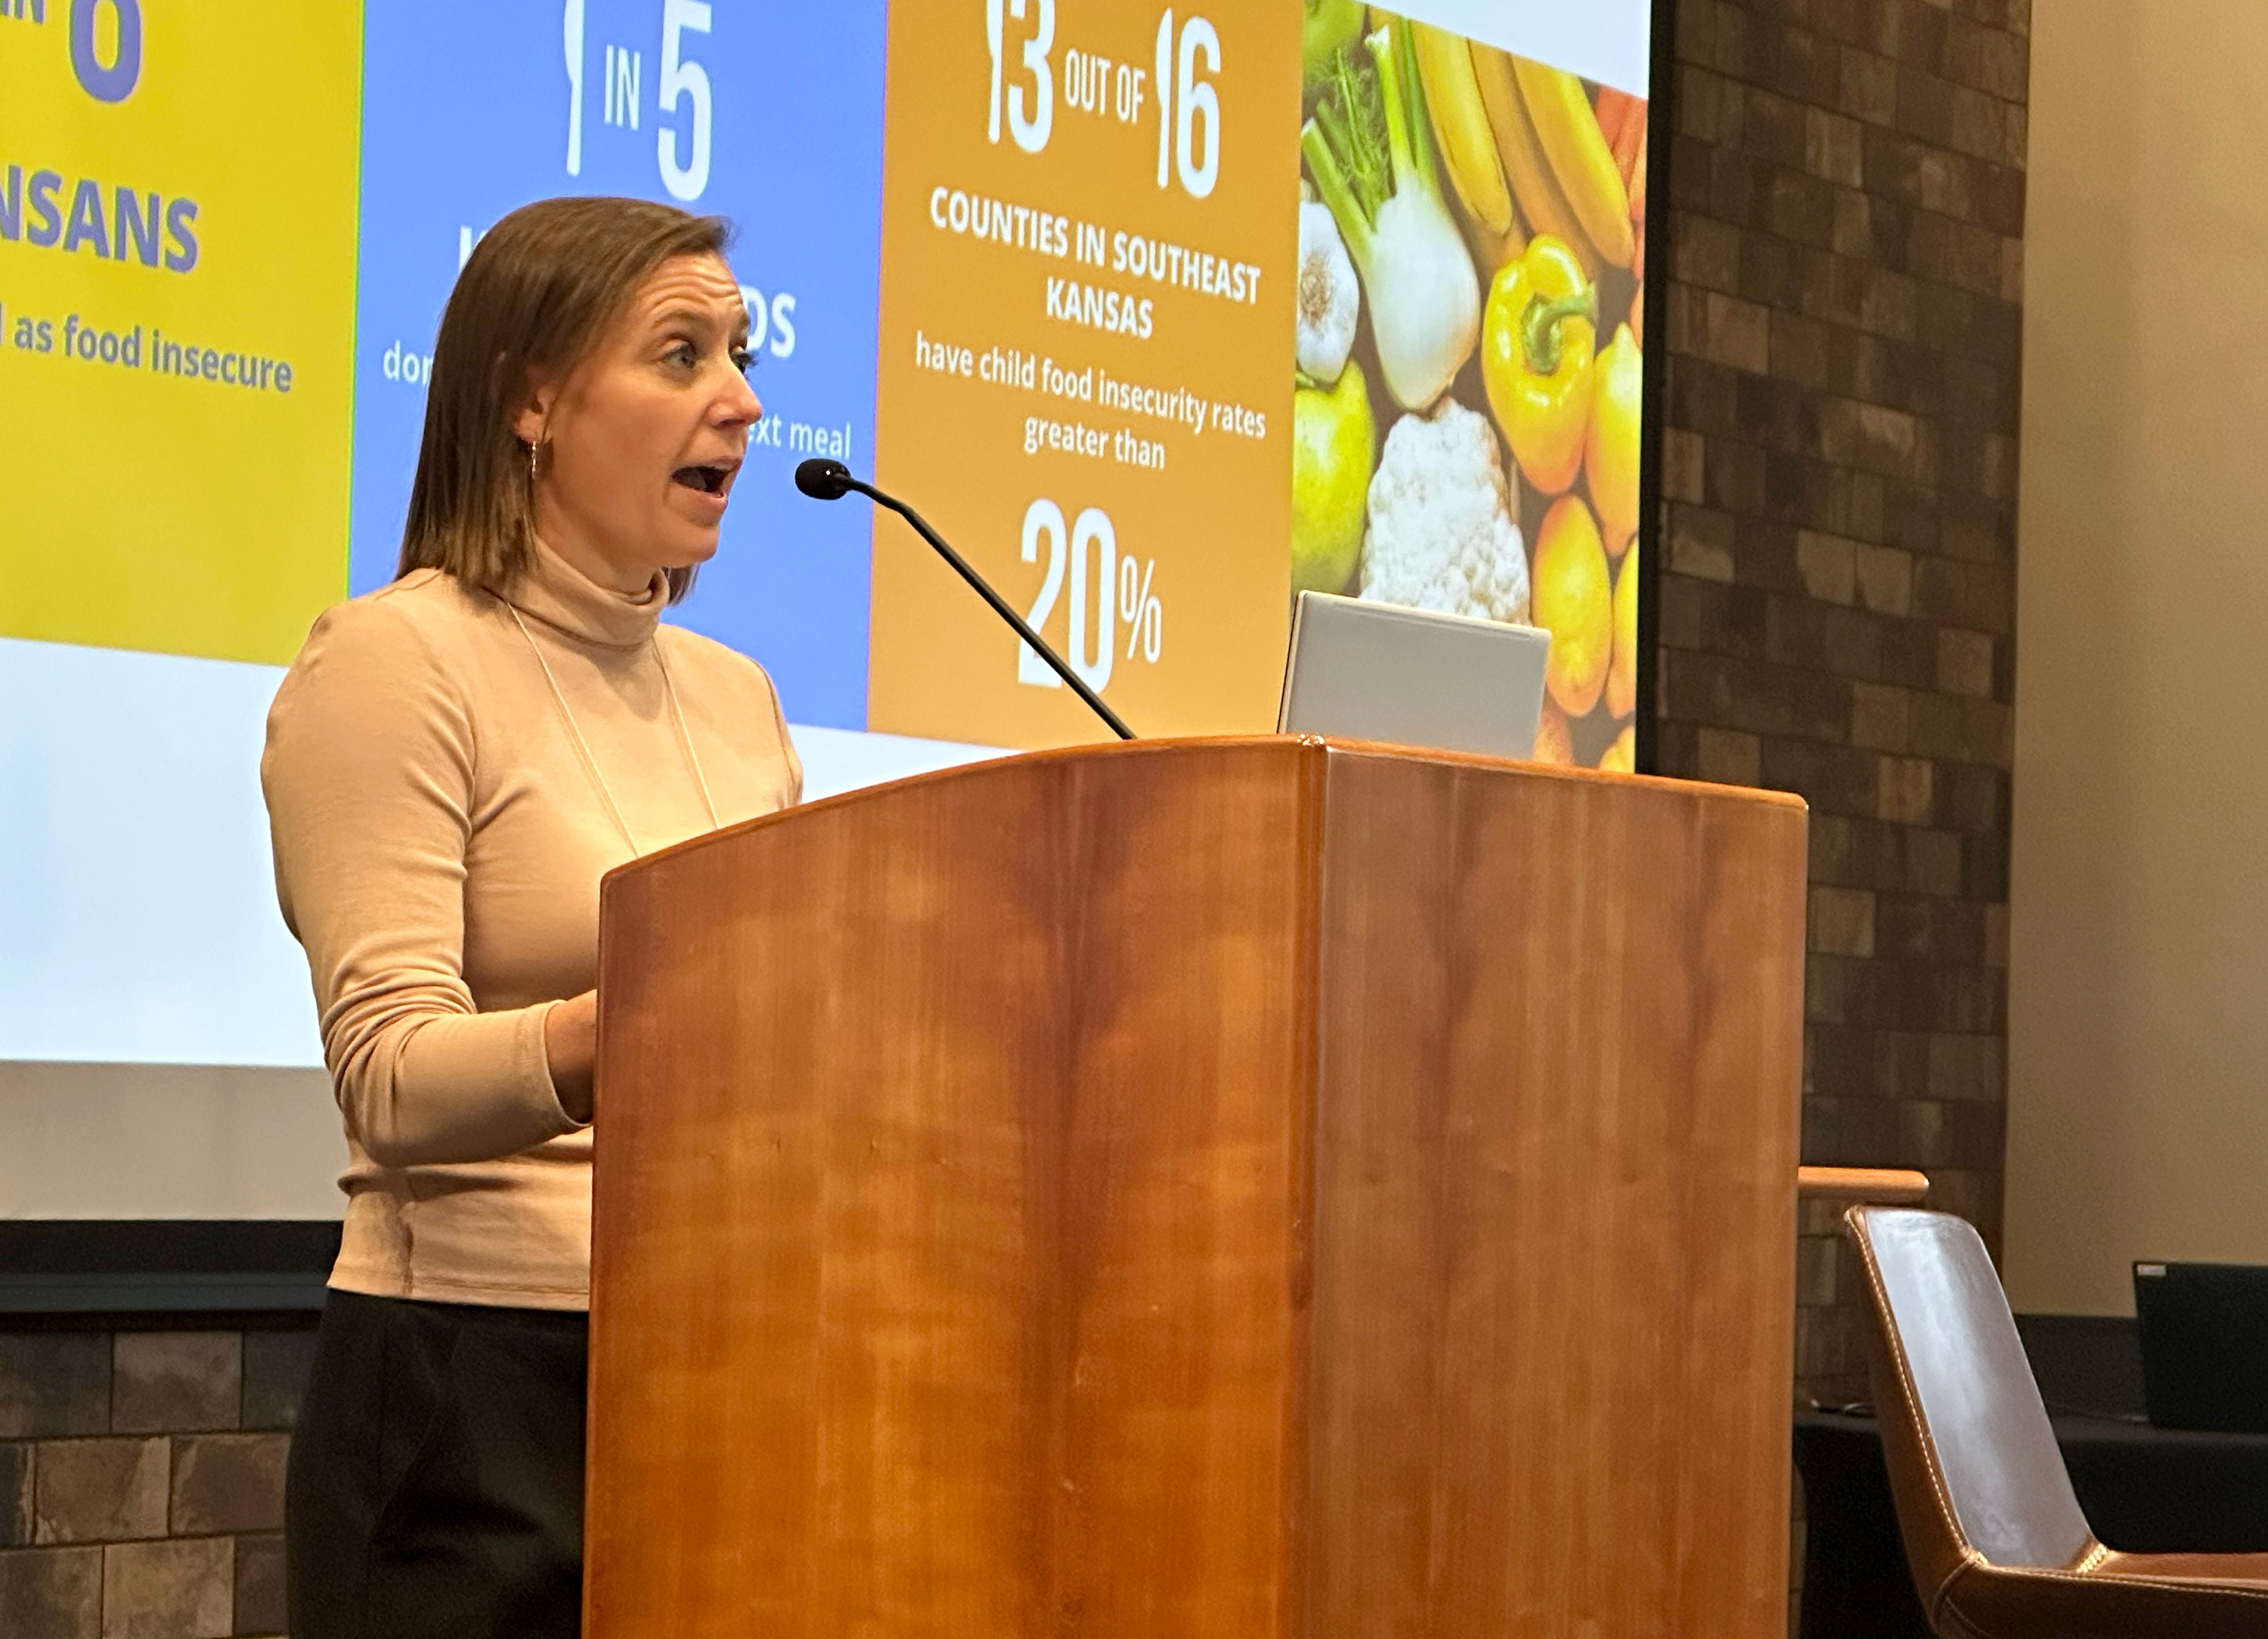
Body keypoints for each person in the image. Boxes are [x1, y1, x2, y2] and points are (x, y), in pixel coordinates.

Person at [262, 195, 801, 1637]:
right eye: (681, 354)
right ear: (531, 403)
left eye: (741, 354)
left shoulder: (740, 700)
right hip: (467, 1392)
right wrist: (627, 1032)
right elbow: (387, 1075)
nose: (741, 402)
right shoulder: (396, 661)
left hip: (710, 1365)